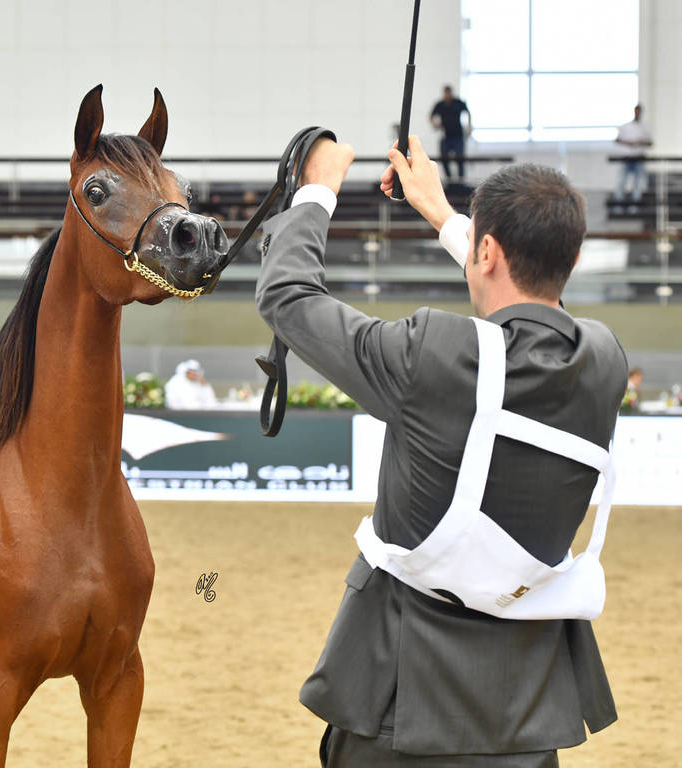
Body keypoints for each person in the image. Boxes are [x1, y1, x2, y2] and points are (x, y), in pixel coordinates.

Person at [256, 133, 626, 765]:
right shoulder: (603, 361)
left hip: (401, 707)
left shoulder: (431, 354)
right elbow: (539, 313)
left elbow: (288, 296)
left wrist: (316, 189)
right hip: (530, 717)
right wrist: (445, 216)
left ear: (487, 250)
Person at [430, 85, 471, 182]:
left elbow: (468, 113)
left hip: (458, 136)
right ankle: (449, 180)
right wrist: (435, 125)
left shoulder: (458, 102)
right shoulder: (440, 104)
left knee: (460, 159)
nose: (447, 95)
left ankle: (461, 181)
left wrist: (469, 127)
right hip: (446, 137)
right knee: (444, 159)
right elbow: (431, 116)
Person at [614, 104, 653, 205]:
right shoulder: (626, 126)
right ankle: (618, 204)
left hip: (639, 157)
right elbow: (617, 140)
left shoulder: (645, 127)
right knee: (621, 181)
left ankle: (635, 205)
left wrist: (640, 142)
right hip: (627, 157)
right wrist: (628, 143)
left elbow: (650, 142)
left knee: (637, 183)